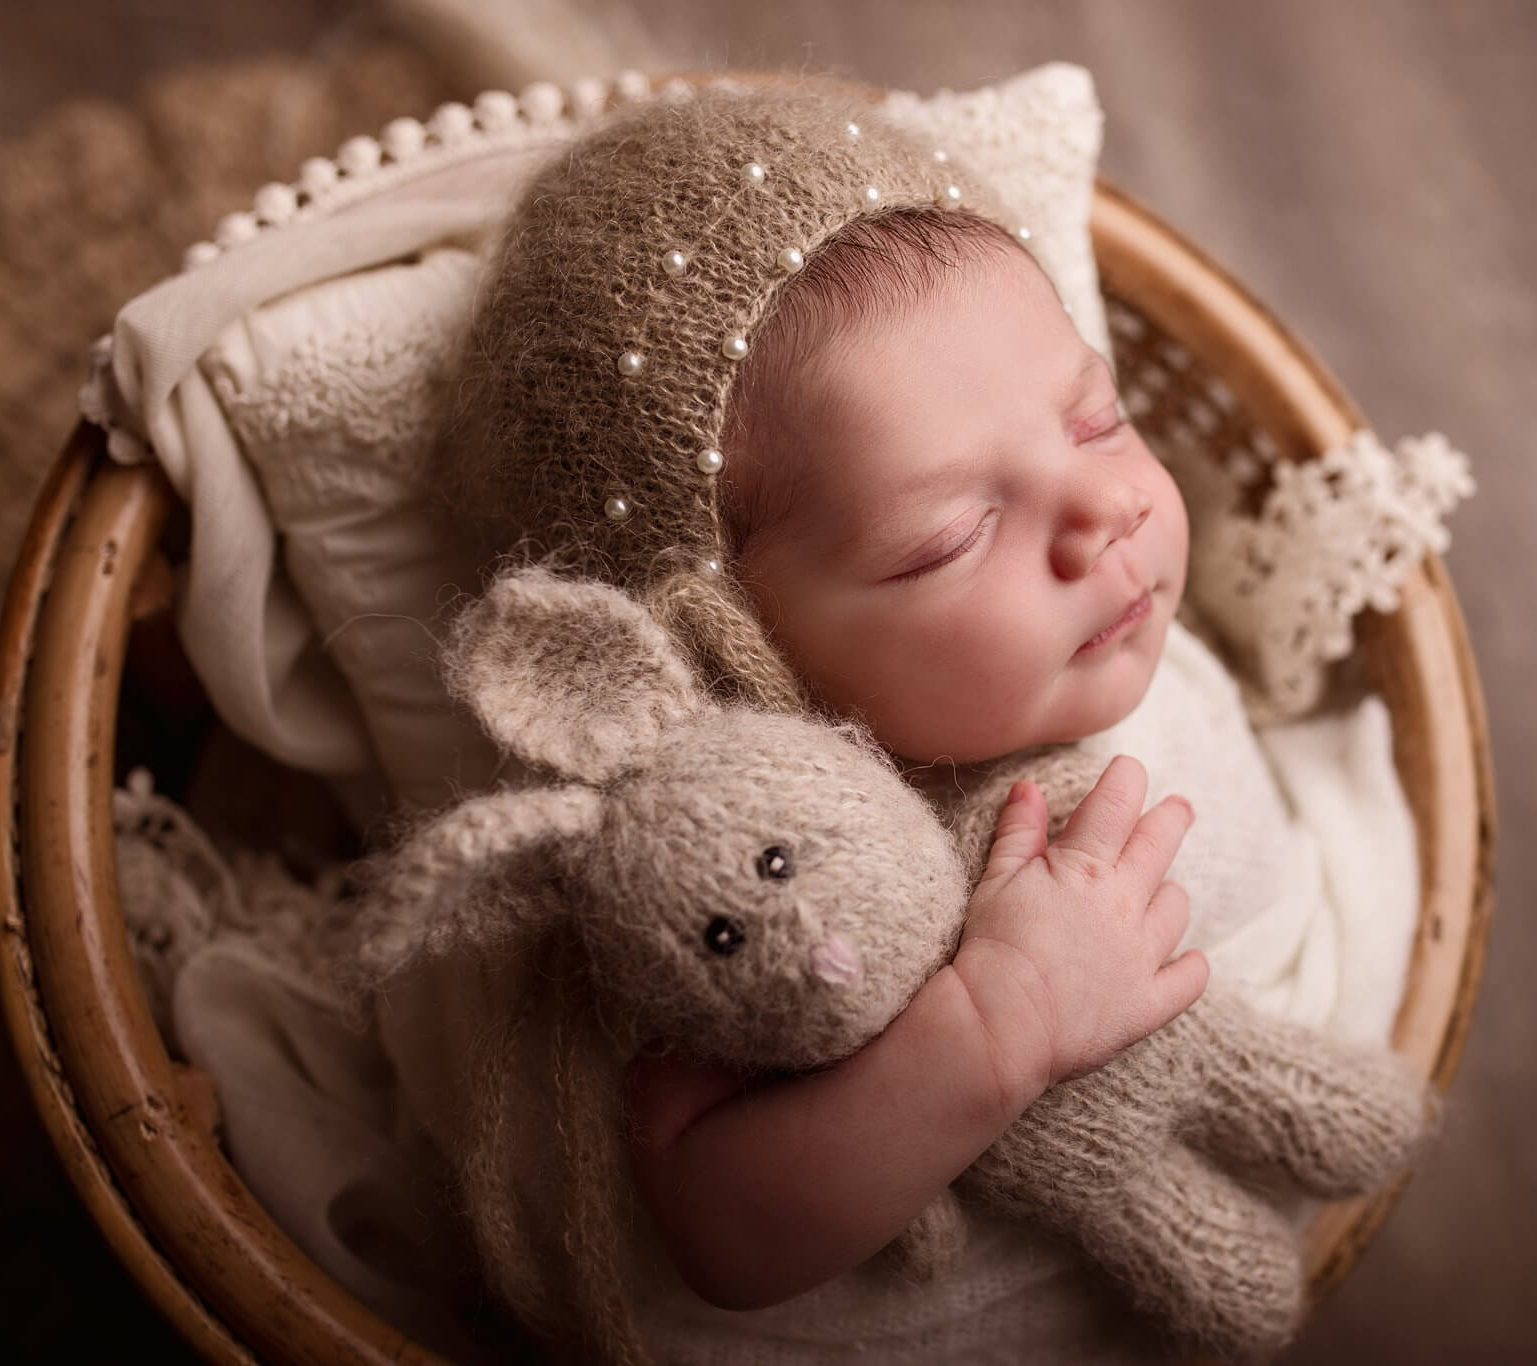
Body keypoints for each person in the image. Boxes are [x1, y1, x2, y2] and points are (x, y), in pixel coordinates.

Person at [425, 78, 1419, 1361]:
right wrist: (997, 1018)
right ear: (735, 651)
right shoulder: (754, 865)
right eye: (953, 534)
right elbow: (726, 1237)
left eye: (1096, 415)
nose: (1104, 509)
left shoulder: (1101, 632)